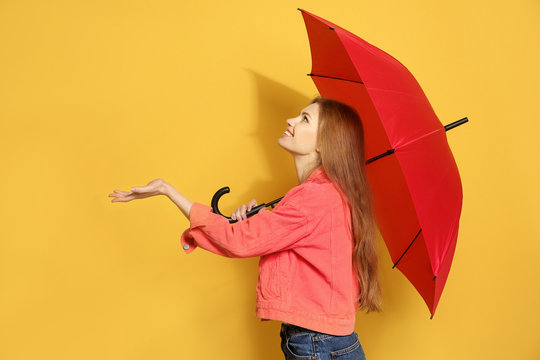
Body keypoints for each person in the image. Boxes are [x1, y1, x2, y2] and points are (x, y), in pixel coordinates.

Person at [109, 96, 382, 359]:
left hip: (318, 342)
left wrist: (168, 191)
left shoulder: (314, 197)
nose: (290, 120)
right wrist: (261, 217)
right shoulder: (323, 195)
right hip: (325, 340)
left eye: (305, 119)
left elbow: (239, 241)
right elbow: (292, 240)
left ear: (324, 142)